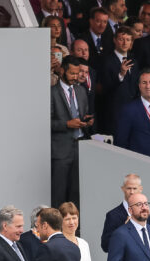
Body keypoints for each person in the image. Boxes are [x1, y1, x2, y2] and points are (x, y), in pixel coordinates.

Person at [51, 55, 93, 209]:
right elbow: (45, 123)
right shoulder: (52, 92)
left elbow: (83, 114)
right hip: (60, 150)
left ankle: (75, 226)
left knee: (77, 192)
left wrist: (87, 121)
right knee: (59, 192)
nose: (76, 77)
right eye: (72, 73)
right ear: (62, 70)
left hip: (80, 147)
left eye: (77, 73)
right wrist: (67, 124)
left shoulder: (81, 91)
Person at [114, 68, 150, 162]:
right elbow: (121, 142)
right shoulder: (129, 110)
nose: (148, 86)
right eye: (144, 82)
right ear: (139, 86)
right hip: (140, 164)